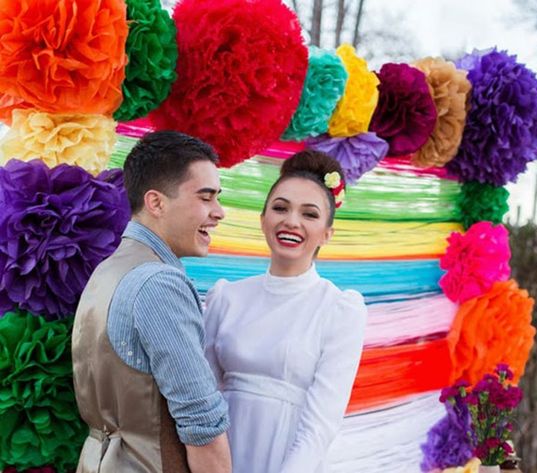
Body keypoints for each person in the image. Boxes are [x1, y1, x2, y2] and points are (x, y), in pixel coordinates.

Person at [72, 131, 232, 473]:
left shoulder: (108, 270)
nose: (219, 212)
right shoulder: (159, 282)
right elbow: (202, 424)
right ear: (156, 203)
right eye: (206, 197)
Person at [204, 150, 368, 473]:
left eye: (309, 214)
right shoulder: (226, 298)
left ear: (327, 234)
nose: (292, 221)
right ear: (262, 219)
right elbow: (202, 396)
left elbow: (321, 425)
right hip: (219, 458)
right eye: (280, 208)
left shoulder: (339, 310)